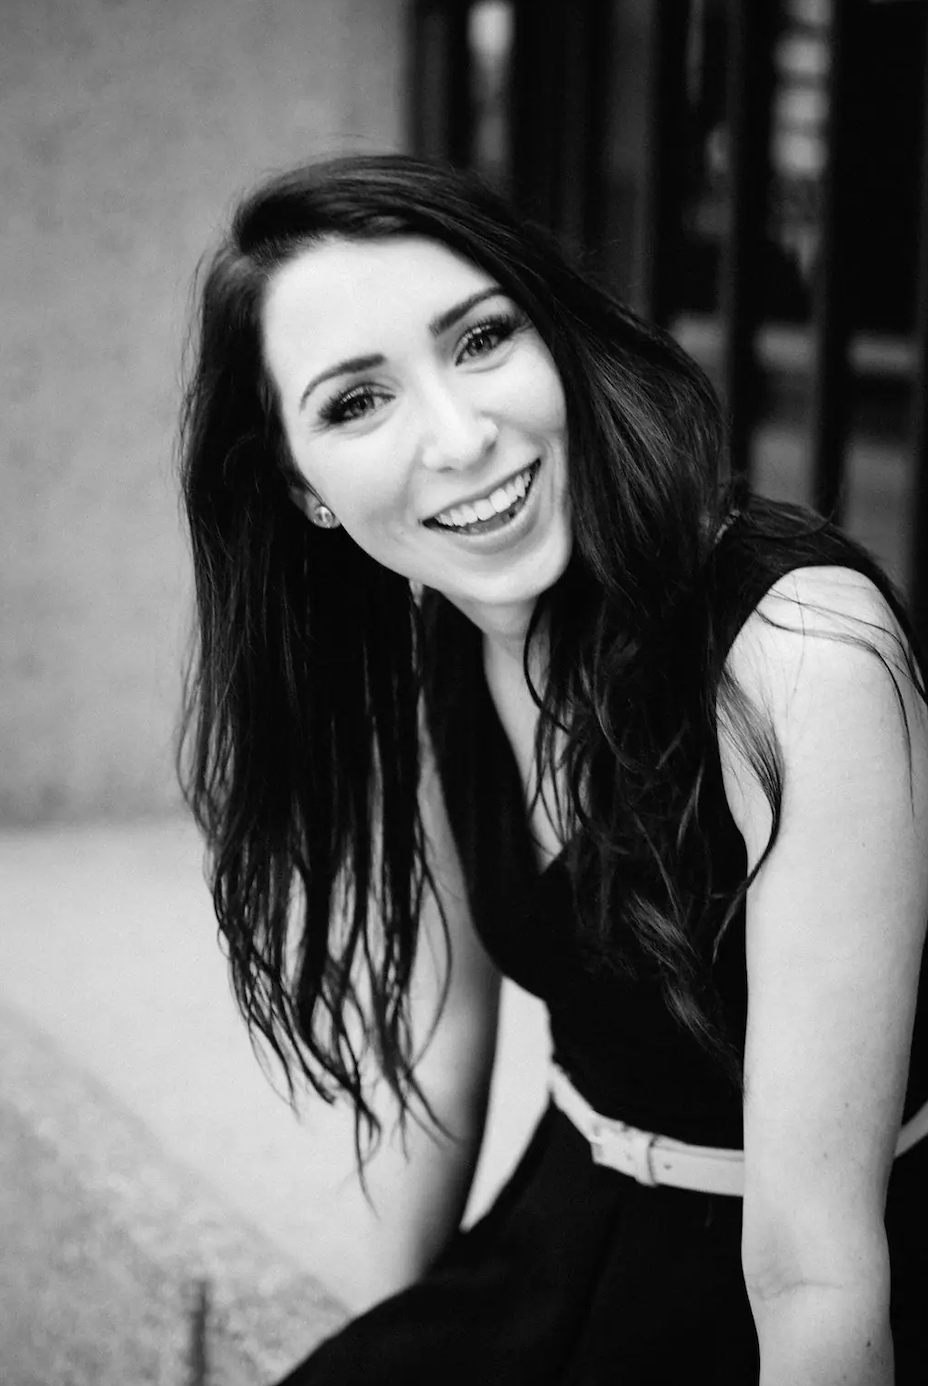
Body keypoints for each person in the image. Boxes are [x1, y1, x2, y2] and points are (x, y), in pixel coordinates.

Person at [177, 153, 928, 1385]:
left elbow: (814, 1265)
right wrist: (383, 1341)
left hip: (789, 1281)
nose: (463, 437)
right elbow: (444, 1028)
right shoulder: (441, 635)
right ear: (300, 488)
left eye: (479, 340)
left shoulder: (799, 656)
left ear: (558, 338)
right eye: (356, 403)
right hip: (563, 1217)